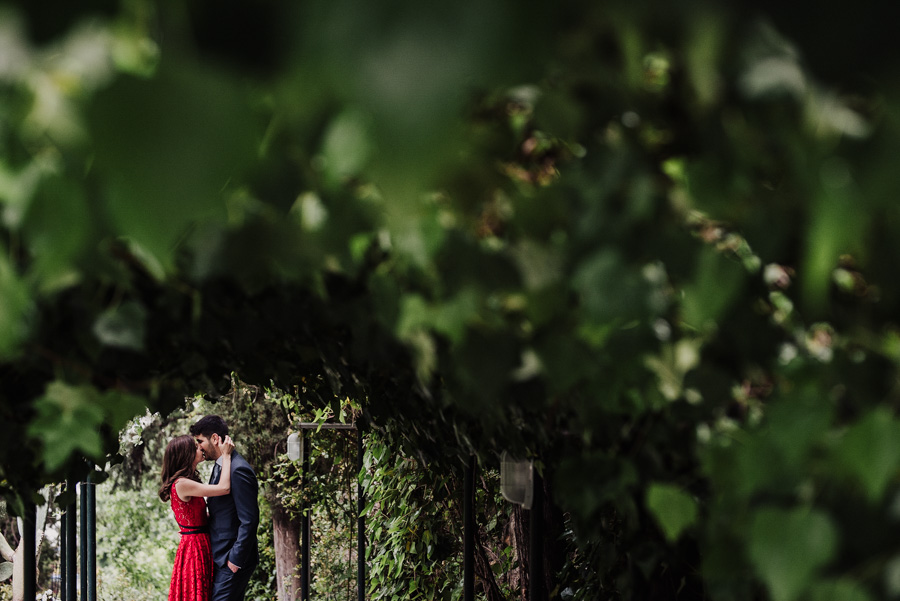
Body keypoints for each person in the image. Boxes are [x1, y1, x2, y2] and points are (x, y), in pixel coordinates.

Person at [190, 415, 260, 601]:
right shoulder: (221, 465)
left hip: (232, 559)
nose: (198, 447)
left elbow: (250, 520)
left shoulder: (238, 470)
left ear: (215, 438)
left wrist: (235, 560)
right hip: (220, 556)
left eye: (200, 442)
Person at [159, 434, 235, 601]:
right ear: (185, 455)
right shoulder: (182, 484)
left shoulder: (186, 482)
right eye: (195, 447)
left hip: (197, 544)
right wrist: (226, 456)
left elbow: (196, 517)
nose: (200, 448)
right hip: (194, 548)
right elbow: (224, 488)